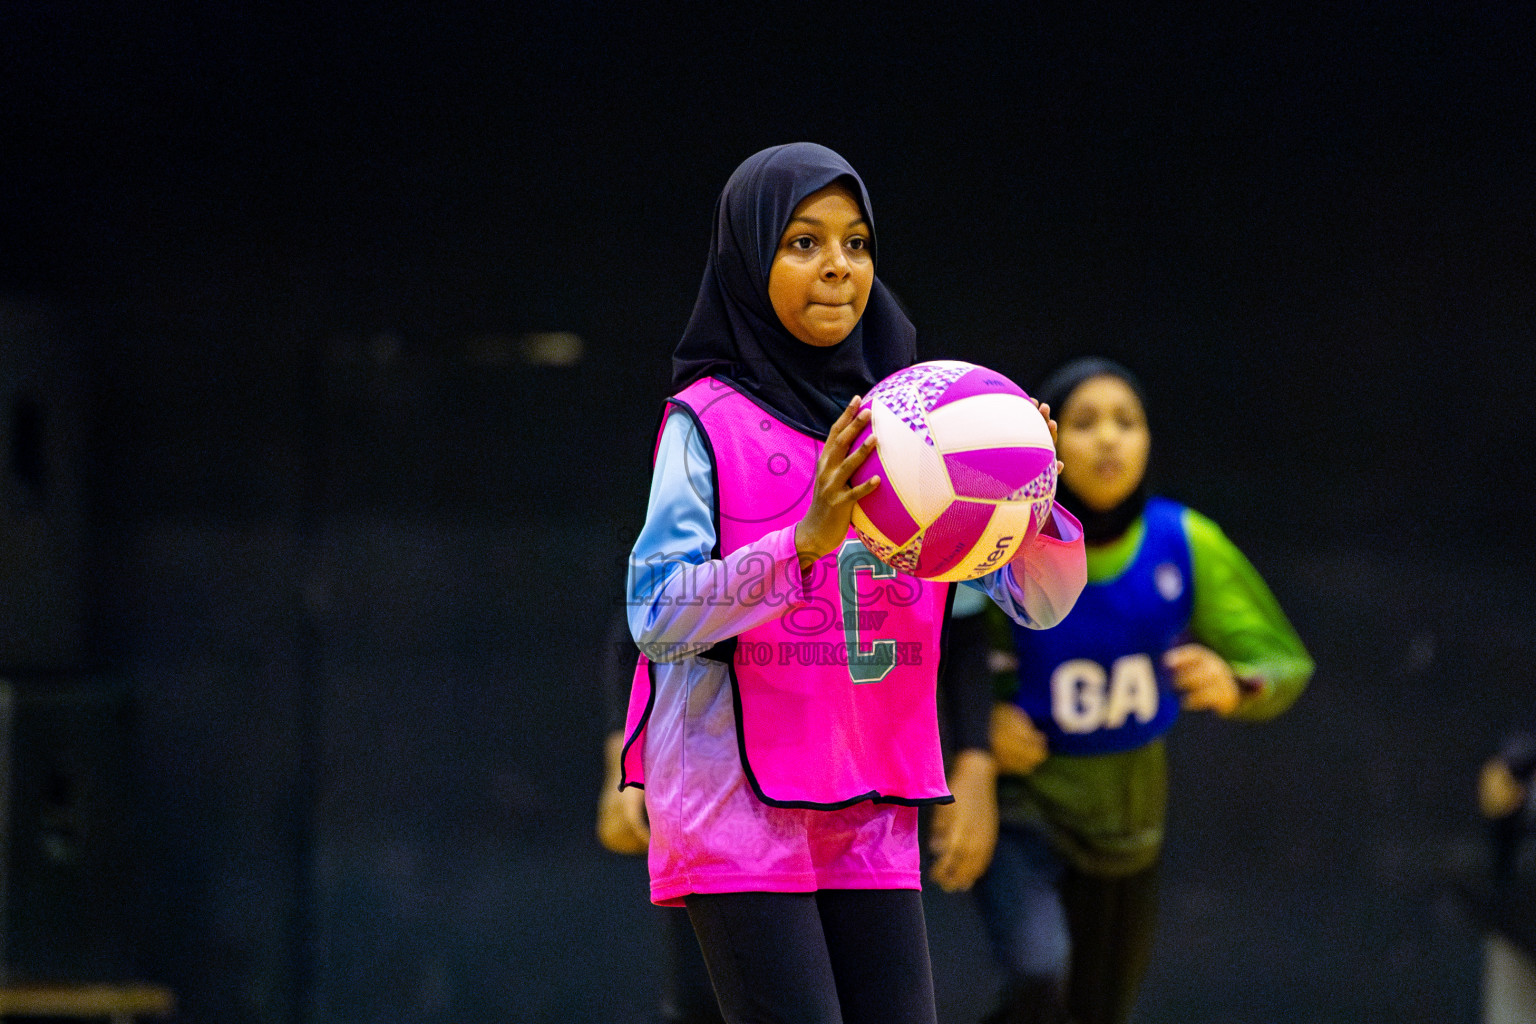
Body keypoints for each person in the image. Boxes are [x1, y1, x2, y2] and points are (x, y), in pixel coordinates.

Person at [620, 142, 1086, 1024]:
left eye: (856, 242)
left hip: (868, 798)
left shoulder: (923, 424)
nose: (838, 265)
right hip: (733, 802)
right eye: (803, 242)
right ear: (748, 259)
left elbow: (1044, 601)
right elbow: (654, 613)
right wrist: (803, 544)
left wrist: (1029, 501)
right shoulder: (707, 420)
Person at [968, 356, 1315, 1024]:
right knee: (1040, 976)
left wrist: (1235, 684)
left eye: (1126, 422)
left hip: (1129, 832)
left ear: (1149, 440)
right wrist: (978, 729)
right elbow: (932, 656)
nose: (1108, 439)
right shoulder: (1000, 540)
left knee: (1099, 1012)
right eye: (1085, 422)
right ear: (1048, 443)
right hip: (1026, 816)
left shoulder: (1183, 540)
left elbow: (1282, 662)